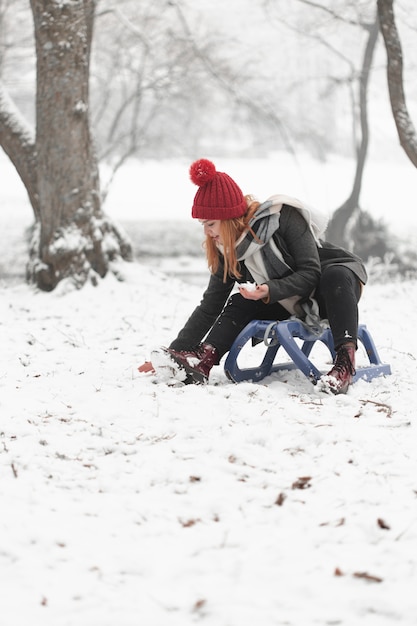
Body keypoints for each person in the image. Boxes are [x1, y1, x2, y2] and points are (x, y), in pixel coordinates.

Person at [138, 158, 367, 394]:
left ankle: (344, 365)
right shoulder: (226, 250)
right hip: (290, 300)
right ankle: (201, 361)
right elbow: (211, 305)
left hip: (331, 288)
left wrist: (269, 289)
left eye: (210, 224)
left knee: (335, 275)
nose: (206, 232)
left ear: (228, 218)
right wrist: (175, 354)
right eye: (202, 225)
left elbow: (310, 273)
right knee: (241, 300)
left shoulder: (283, 217)